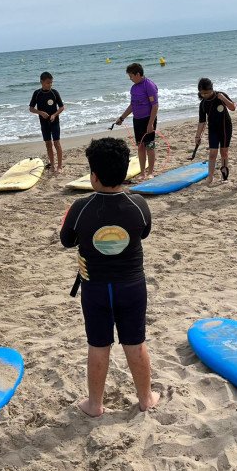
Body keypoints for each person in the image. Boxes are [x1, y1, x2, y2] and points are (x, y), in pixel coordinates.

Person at [59, 137, 159, 417]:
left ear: (93, 176)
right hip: (132, 286)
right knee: (135, 342)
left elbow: (67, 240)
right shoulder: (139, 204)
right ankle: (146, 398)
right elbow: (144, 232)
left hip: (96, 288)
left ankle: (95, 405)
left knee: (98, 344)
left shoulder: (80, 208)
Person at [115, 63, 159, 180]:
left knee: (149, 146)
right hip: (137, 120)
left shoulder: (149, 85)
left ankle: (150, 172)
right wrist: (122, 118)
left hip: (148, 119)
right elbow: (132, 105)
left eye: (131, 76)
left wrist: (150, 123)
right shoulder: (134, 88)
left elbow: (155, 106)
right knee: (140, 147)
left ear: (138, 74)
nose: (130, 79)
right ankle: (142, 172)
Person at [195, 78, 236, 184]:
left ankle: (224, 176)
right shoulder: (203, 104)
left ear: (212, 89)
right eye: (202, 93)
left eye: (207, 92)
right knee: (212, 153)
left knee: (224, 152)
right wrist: (197, 136)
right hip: (213, 129)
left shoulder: (220, 95)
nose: (204, 95)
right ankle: (210, 177)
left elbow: (232, 107)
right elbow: (202, 122)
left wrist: (223, 98)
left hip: (225, 127)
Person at [29, 71, 64, 173]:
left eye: (51, 83)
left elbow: (61, 107)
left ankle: (60, 166)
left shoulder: (54, 92)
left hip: (54, 121)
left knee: (57, 143)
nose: (50, 85)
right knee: (48, 144)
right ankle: (52, 166)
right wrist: (40, 112)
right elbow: (31, 108)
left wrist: (54, 114)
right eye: (48, 83)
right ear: (41, 82)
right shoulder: (37, 93)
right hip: (44, 123)